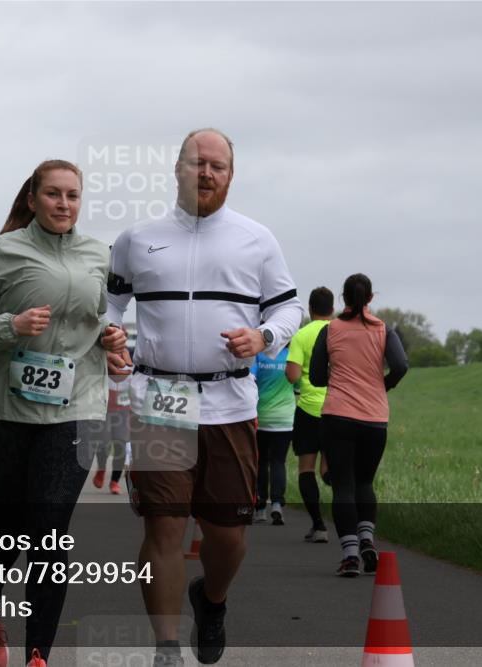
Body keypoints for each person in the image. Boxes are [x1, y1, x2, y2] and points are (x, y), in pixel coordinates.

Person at [105, 129, 302, 666]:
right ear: (177, 168)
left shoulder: (256, 239)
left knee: (229, 536)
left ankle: (211, 600)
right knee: (165, 527)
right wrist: (111, 337)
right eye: (197, 163)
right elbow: (107, 302)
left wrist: (264, 337)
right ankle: (166, 649)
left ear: (231, 175)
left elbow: (289, 308)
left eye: (217, 165)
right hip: (160, 397)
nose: (206, 173)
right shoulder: (137, 239)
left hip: (229, 402)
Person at [0, 158, 126, 667]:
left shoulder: (97, 255)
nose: (63, 204)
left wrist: (113, 342)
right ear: (32, 199)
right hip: (4, 409)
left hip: (77, 407)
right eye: (53, 195)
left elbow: (97, 321)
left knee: (49, 530)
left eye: (72, 196)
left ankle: (39, 654)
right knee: (9, 527)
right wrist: (9, 326)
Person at [309, 273, 408, 577]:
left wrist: (336, 379)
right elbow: (401, 364)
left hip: (338, 417)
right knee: (364, 483)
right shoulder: (384, 331)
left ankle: (350, 556)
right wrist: (384, 385)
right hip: (374, 420)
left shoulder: (331, 330)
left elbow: (315, 376)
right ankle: (367, 539)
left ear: (344, 298)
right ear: (370, 299)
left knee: (343, 485)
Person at [285, 287, 334, 543]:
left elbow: (292, 375)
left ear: (311, 309)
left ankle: (319, 526)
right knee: (330, 467)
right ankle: (347, 510)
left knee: (306, 469)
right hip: (337, 410)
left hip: (307, 409)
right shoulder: (340, 333)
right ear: (333, 309)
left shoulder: (302, 335)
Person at [251, 346, 295, 525]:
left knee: (261, 462)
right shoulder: (291, 355)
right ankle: (277, 504)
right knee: (278, 462)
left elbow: (251, 379)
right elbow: (296, 382)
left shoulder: (259, 355)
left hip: (261, 417)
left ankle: (260, 508)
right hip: (284, 419)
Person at [92, 374, 131, 494]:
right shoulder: (105, 356)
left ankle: (115, 481)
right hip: (105, 409)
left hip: (124, 410)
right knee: (104, 443)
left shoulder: (133, 360)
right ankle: (102, 468)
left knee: (121, 446)